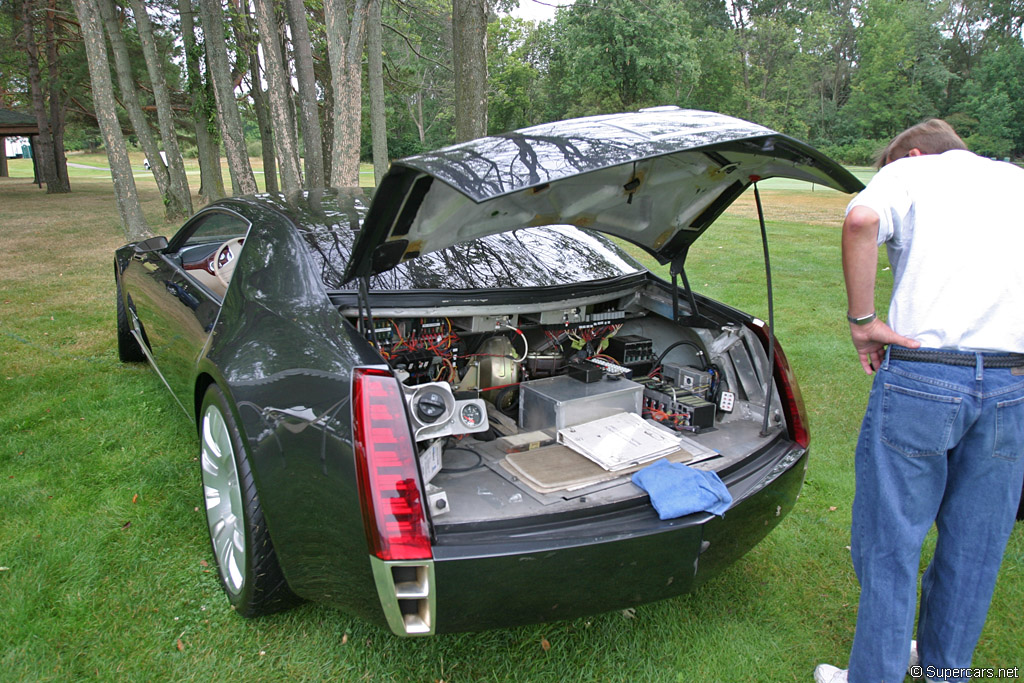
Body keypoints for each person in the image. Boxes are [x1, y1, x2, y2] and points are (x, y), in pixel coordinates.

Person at [814, 119, 1024, 683]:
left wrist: (862, 322)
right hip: (1011, 384)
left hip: (923, 377)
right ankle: (944, 673)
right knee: (975, 549)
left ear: (910, 154)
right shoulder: (1016, 180)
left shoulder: (910, 171)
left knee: (890, 543)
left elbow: (860, 219)